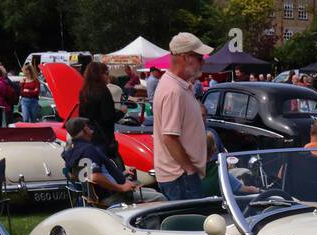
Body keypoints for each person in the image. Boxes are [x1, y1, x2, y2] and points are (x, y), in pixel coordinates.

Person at [153, 32, 213, 201]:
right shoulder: (174, 90)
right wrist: (189, 169)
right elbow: (169, 138)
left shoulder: (176, 85)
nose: (203, 62)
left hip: (179, 176)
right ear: (186, 58)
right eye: (199, 57)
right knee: (191, 226)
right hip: (180, 177)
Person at [62, 117, 143, 205]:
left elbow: (81, 175)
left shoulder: (70, 151)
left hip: (96, 197)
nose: (89, 128)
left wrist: (121, 174)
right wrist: (121, 187)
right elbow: (95, 177)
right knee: (157, 197)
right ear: (85, 129)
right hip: (114, 197)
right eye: (87, 126)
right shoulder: (88, 150)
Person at [79, 61, 121, 162]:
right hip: (103, 137)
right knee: (106, 169)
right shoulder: (103, 91)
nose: (108, 76)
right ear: (99, 75)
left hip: (89, 136)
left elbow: (81, 115)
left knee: (92, 169)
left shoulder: (84, 91)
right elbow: (108, 118)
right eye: (106, 73)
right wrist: (121, 112)